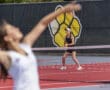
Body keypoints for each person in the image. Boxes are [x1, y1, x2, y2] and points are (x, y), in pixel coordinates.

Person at [0, 2, 81, 90]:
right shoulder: (7, 56)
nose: (17, 28)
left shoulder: (26, 45)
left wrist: (63, 10)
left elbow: (43, 23)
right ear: (7, 38)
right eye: (12, 28)